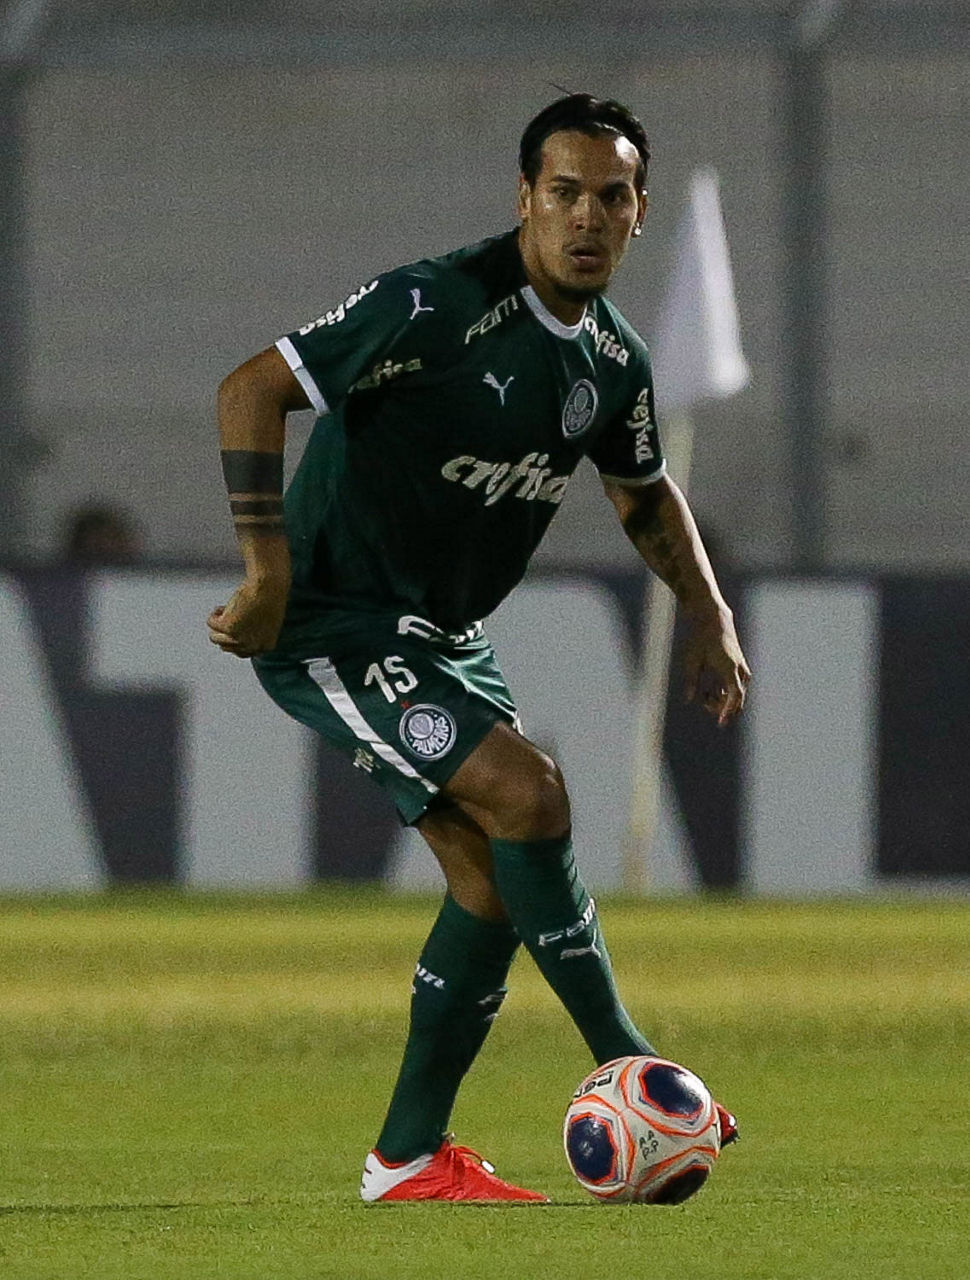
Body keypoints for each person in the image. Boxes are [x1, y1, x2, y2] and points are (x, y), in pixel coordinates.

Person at [208, 93, 751, 1203]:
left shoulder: (613, 359)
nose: (587, 216)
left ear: (639, 211)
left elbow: (645, 494)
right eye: (565, 192)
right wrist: (267, 570)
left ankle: (406, 1157)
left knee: (492, 879)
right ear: (525, 199)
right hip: (336, 619)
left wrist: (708, 611)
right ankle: (635, 1066)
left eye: (611, 196)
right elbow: (252, 388)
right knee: (531, 794)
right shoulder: (434, 304)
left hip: (445, 634)